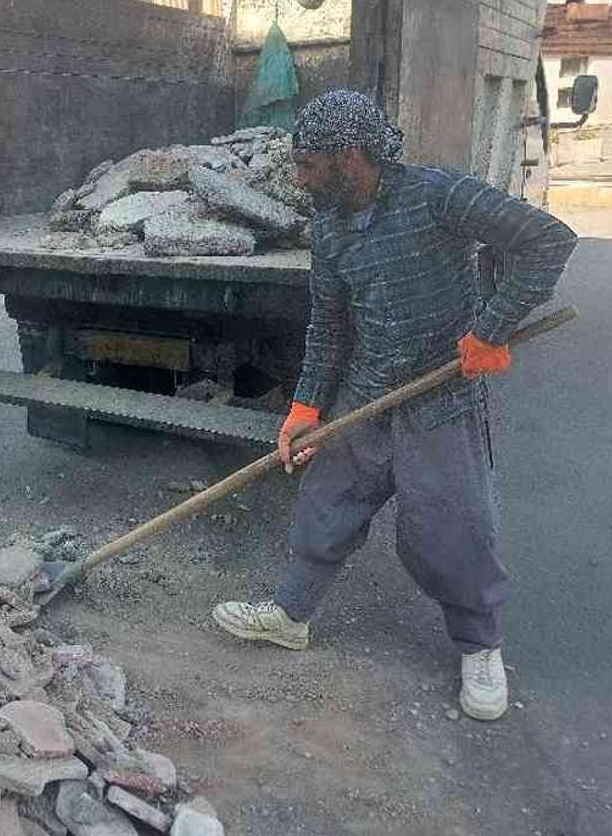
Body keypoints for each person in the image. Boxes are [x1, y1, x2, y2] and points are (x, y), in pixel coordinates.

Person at [212, 90, 577, 721]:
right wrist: (305, 407)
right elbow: (328, 322)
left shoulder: (439, 195)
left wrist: (488, 330)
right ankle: (291, 614)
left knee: (452, 525)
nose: (297, 179)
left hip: (440, 393)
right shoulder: (328, 224)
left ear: (349, 157)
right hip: (366, 387)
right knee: (327, 501)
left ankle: (479, 644)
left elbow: (548, 240)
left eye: (307, 165)